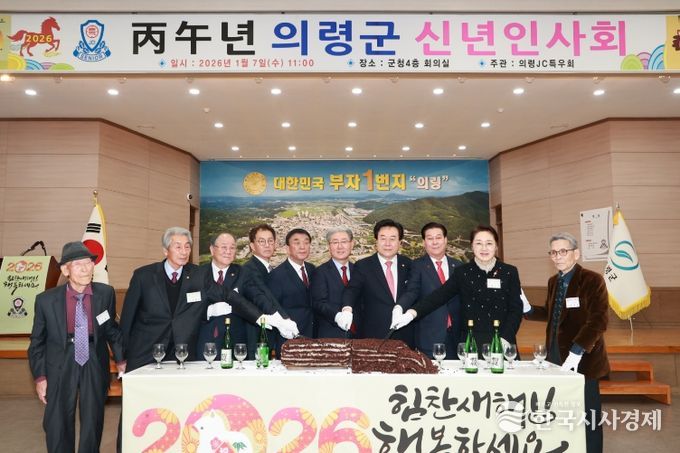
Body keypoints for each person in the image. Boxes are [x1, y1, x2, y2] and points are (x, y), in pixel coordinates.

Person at [28, 241, 125, 453]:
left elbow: (111, 329)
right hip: (60, 362)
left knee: (93, 419)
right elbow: (37, 342)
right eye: (78, 264)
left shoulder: (105, 293)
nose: (85, 269)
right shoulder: (46, 300)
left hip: (94, 359)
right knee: (58, 420)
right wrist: (40, 377)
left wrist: (121, 360)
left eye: (88, 263)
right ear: (65, 270)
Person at [525, 232, 609, 453]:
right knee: (562, 410)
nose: (558, 256)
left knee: (589, 414)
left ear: (576, 253)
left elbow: (598, 320)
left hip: (583, 357)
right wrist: (529, 310)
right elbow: (552, 313)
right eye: (553, 252)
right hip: (555, 355)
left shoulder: (592, 280)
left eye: (563, 251)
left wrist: (577, 350)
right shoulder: (554, 281)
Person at [392, 225, 523, 355]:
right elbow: (438, 296)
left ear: (496, 246)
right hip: (472, 343)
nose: (484, 248)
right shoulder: (463, 272)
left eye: (489, 243)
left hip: (502, 340)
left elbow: (515, 309)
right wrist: (411, 313)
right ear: (472, 246)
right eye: (478, 243)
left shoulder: (509, 272)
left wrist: (505, 338)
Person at [119, 227, 209, 372]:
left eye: (187, 247)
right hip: (145, 353)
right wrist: (121, 357)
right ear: (165, 251)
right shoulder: (143, 276)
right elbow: (127, 320)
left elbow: (222, 294)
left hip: (182, 354)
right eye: (178, 247)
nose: (184, 252)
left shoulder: (198, 275)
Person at [195, 232, 294, 358]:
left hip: (236, 342)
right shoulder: (197, 274)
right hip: (204, 339)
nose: (228, 251)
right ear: (212, 249)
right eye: (224, 247)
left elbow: (258, 296)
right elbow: (187, 306)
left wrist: (280, 319)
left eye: (232, 248)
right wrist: (207, 311)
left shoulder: (242, 273)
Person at [341, 219, 414, 348]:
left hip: (405, 334)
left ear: (400, 242)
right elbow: (352, 290)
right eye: (383, 238)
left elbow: (414, 292)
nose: (387, 243)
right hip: (373, 334)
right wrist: (347, 309)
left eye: (392, 239)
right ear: (376, 241)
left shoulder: (409, 264)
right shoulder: (363, 265)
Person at [396, 222, 462, 358]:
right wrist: (399, 307)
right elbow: (412, 292)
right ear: (424, 242)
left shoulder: (459, 266)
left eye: (438, 237)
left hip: (457, 337)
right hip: (430, 337)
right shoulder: (417, 266)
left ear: (445, 240)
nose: (435, 242)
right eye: (430, 238)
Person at [240, 224, 297, 358]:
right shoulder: (249, 269)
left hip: (270, 333)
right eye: (261, 241)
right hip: (256, 334)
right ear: (252, 246)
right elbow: (263, 297)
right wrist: (284, 319)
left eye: (270, 241)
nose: (267, 245)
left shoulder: (269, 268)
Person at [268, 228, 316, 354]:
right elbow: (273, 308)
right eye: (297, 242)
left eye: (306, 242)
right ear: (287, 248)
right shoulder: (277, 275)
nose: (302, 247)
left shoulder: (312, 269)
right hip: (289, 339)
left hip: (314, 337)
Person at [311, 227, 356, 338]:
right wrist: (337, 316)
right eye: (335, 242)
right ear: (329, 246)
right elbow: (318, 303)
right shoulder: (320, 272)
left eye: (344, 242)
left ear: (352, 244)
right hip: (331, 334)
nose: (340, 246)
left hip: (358, 335)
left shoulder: (358, 270)